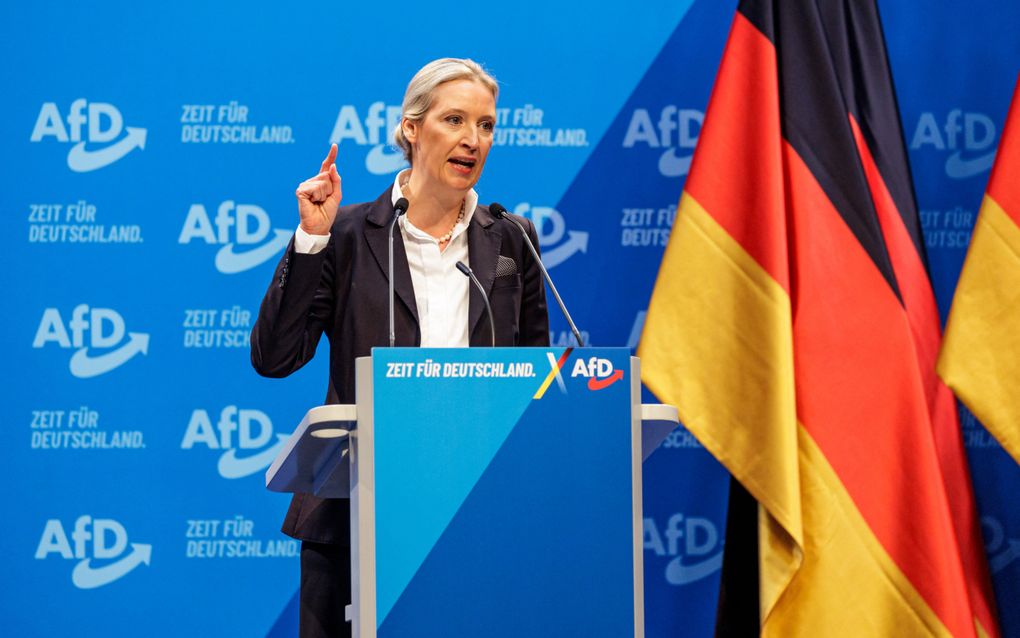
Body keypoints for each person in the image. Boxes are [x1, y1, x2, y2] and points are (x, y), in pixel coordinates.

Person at [251, 57, 550, 638]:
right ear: (412, 128)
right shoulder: (345, 233)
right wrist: (310, 239)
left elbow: (536, 378)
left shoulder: (512, 236)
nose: (473, 139)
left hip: (477, 517)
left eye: (486, 125)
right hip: (357, 520)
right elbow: (275, 358)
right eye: (455, 120)